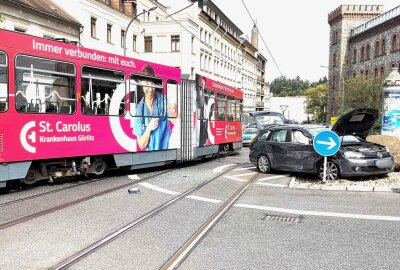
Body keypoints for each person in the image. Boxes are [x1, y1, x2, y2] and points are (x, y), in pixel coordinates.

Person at [134, 65, 170, 151]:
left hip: (167, 152)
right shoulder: (139, 109)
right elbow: (141, 145)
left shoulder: (164, 101)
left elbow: (175, 118)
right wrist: (149, 128)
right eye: (146, 84)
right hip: (151, 156)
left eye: (152, 84)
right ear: (141, 84)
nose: (150, 89)